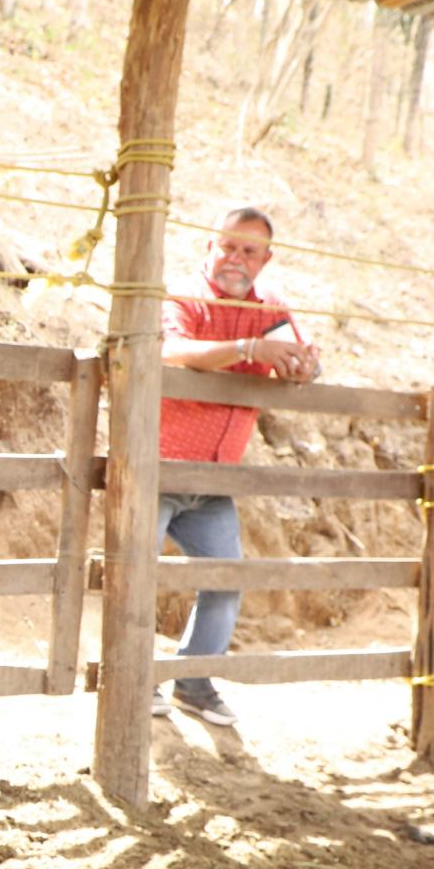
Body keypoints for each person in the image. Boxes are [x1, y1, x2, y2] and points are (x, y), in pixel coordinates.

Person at [153, 206, 320, 727]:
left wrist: (304, 365)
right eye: (227, 246)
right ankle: (131, 678)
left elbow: (296, 357)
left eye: (249, 251)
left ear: (264, 261)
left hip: (216, 478)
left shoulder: (270, 308)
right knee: (134, 575)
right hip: (158, 467)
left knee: (225, 580)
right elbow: (173, 350)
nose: (235, 258)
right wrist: (248, 348)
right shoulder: (184, 296)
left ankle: (194, 685)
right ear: (209, 246)